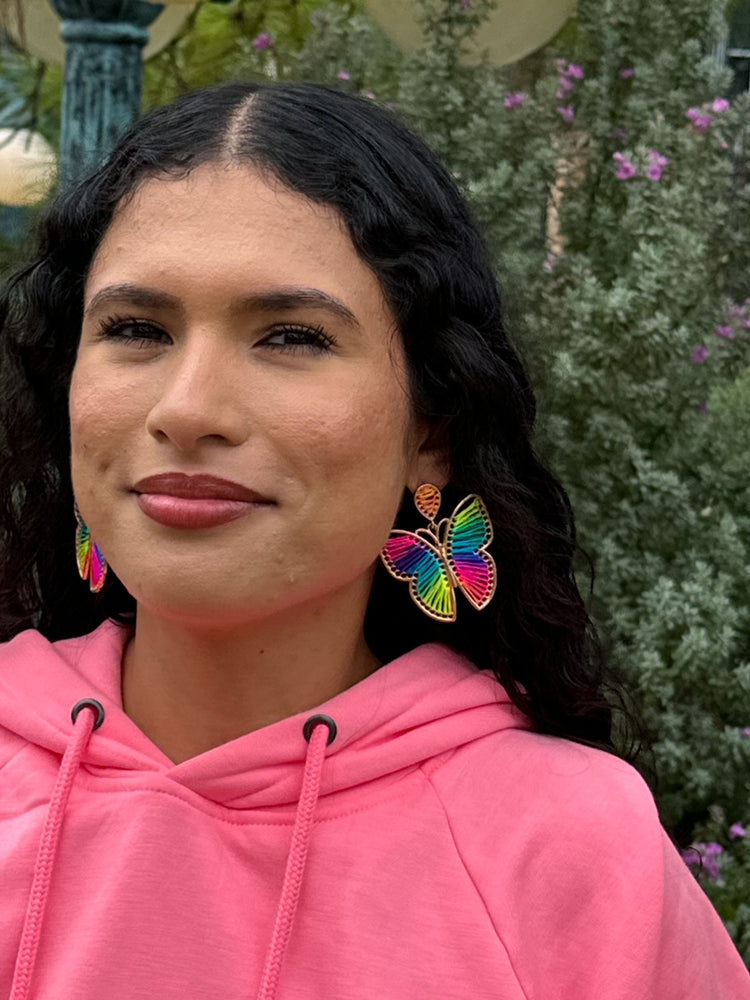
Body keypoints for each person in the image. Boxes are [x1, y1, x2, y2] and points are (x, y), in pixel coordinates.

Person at [0, 81, 747, 1000]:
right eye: (137, 329)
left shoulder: (569, 850)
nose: (186, 408)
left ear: (429, 428)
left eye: (290, 337)